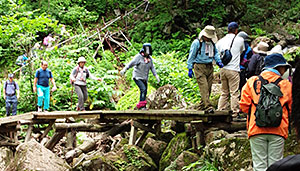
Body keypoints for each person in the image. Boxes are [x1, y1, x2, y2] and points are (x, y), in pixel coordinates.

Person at [240, 53, 292, 171]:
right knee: (276, 166)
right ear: (279, 67)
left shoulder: (252, 82)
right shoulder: (286, 85)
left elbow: (243, 106)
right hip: (278, 130)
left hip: (256, 129)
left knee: (259, 166)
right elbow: (292, 108)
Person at [187, 25, 223, 112]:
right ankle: (208, 106)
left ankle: (201, 106)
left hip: (209, 66)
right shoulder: (197, 43)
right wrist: (190, 68)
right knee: (204, 87)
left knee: (209, 88)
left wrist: (219, 61)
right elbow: (191, 55)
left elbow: (215, 53)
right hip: (199, 66)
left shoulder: (212, 43)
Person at [216, 22, 245, 116]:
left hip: (223, 69)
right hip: (234, 69)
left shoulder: (220, 41)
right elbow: (241, 51)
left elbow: (217, 54)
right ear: (236, 30)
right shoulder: (240, 40)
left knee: (224, 92)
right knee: (234, 92)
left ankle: (220, 111)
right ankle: (235, 113)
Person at [120, 43, 160, 110]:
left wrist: (156, 76)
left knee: (145, 91)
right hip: (137, 77)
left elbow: (152, 68)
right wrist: (124, 70)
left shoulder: (150, 59)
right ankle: (141, 106)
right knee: (143, 89)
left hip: (144, 78)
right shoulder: (138, 57)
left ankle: (143, 105)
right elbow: (130, 64)